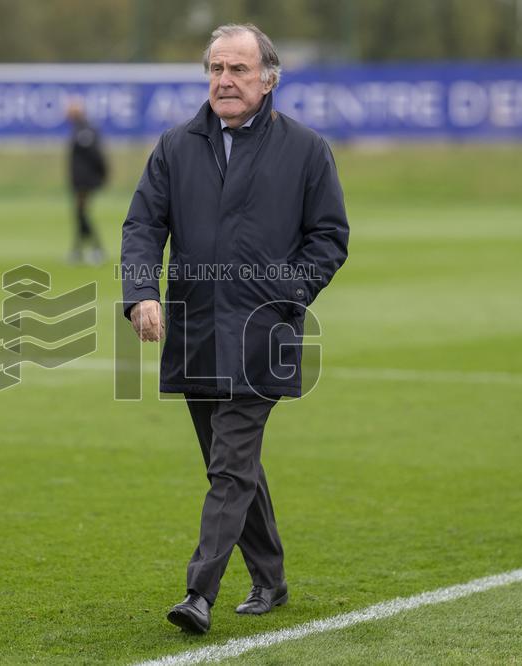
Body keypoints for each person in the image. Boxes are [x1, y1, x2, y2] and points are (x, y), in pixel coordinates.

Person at [120, 23, 349, 634]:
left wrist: (290, 293)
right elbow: (142, 225)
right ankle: (271, 579)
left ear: (268, 79)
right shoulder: (174, 146)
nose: (225, 80)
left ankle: (200, 592)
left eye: (239, 70)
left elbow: (329, 237)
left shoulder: (306, 149)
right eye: (217, 69)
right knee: (233, 466)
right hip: (193, 329)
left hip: (261, 334)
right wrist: (141, 293)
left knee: (230, 464)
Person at [65, 100, 108, 265]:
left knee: (81, 214)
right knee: (80, 214)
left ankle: (97, 249)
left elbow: (95, 155)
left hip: (85, 180)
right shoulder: (80, 129)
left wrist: (101, 175)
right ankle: (78, 251)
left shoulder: (84, 131)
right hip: (79, 180)